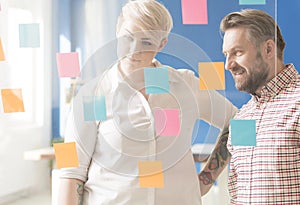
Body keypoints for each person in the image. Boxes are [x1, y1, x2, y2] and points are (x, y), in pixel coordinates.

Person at [57, 0, 237, 204]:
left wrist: (207, 177)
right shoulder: (91, 96)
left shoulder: (185, 86)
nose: (134, 50)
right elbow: (70, 172)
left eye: (147, 42)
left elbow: (239, 122)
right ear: (117, 30)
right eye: (128, 37)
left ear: (162, 44)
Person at [220, 9, 300, 204]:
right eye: (226, 55)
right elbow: (237, 191)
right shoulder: (243, 117)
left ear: (268, 49)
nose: (228, 65)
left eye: (237, 52)